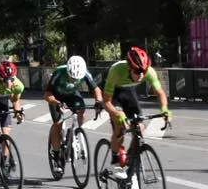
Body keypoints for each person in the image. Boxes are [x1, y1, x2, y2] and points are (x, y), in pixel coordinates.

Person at [101, 47, 170, 180]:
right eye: (137, 71)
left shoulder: (148, 71)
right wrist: (117, 113)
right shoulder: (116, 71)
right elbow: (106, 101)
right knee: (120, 126)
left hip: (128, 90)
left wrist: (165, 109)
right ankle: (115, 160)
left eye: (143, 71)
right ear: (129, 68)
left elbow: (160, 93)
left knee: (140, 127)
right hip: (113, 91)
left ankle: (130, 160)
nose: (141, 75)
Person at [45, 55, 102, 155]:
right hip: (56, 96)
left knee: (81, 110)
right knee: (58, 124)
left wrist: (98, 102)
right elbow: (47, 94)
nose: (74, 80)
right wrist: (56, 103)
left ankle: (76, 132)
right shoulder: (59, 72)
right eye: (72, 77)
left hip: (71, 94)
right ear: (67, 71)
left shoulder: (85, 73)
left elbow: (96, 90)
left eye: (77, 79)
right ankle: (56, 154)